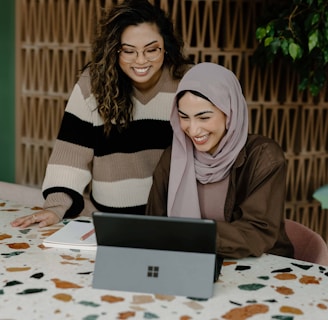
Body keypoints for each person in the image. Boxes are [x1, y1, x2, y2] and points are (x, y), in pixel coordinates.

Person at [11, 0, 192, 228]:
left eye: (151, 49)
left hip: (174, 220)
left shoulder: (188, 81)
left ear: (166, 46)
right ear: (114, 50)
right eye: (128, 51)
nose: (141, 60)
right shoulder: (94, 83)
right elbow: (71, 155)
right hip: (108, 222)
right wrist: (56, 208)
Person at [146, 62, 294, 259]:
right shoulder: (174, 157)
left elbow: (257, 232)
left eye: (204, 118)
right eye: (184, 117)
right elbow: (154, 223)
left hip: (260, 265)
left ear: (230, 112)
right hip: (192, 263)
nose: (193, 129)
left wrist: (190, 235)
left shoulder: (264, 157)